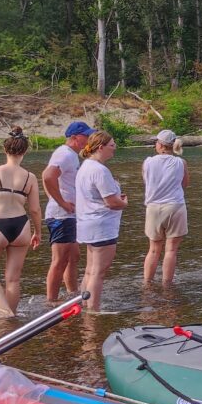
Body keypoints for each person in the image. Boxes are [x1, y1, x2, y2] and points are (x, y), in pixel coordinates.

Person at [0, 127, 42, 318]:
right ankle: (9, 320)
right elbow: (35, 210)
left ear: (5, 150)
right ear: (25, 151)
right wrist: (38, 232)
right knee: (13, 279)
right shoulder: (30, 177)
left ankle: (5, 312)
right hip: (21, 226)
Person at [75, 130, 128, 312]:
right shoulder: (100, 170)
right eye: (112, 146)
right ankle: (94, 310)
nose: (114, 149)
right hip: (101, 226)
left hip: (87, 224)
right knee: (98, 272)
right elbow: (112, 202)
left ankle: (84, 306)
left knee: (90, 270)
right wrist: (123, 203)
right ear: (101, 147)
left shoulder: (85, 166)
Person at [42, 121, 93, 302]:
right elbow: (47, 176)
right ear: (74, 138)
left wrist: (56, 199)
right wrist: (61, 202)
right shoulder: (64, 154)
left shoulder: (70, 155)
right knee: (60, 260)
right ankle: (52, 302)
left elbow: (48, 178)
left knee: (73, 256)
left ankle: (72, 294)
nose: (88, 139)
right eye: (86, 136)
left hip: (68, 214)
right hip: (61, 216)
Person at [142, 129, 189, 285]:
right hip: (175, 206)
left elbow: (146, 181)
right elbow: (185, 184)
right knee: (171, 250)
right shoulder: (181, 163)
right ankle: (167, 285)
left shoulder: (148, 162)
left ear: (160, 144)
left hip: (153, 207)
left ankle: (147, 283)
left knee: (154, 249)